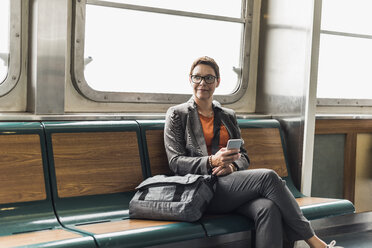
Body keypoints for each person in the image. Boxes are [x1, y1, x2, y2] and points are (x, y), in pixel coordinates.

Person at [164, 56, 342, 248]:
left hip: (230, 187)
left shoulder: (227, 116)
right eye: (197, 77)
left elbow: (244, 156)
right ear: (190, 80)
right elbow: (175, 163)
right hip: (200, 189)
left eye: (209, 78)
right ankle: (316, 243)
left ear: (218, 82)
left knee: (268, 208)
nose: (202, 83)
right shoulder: (177, 114)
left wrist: (232, 166)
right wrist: (212, 161)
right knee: (268, 177)